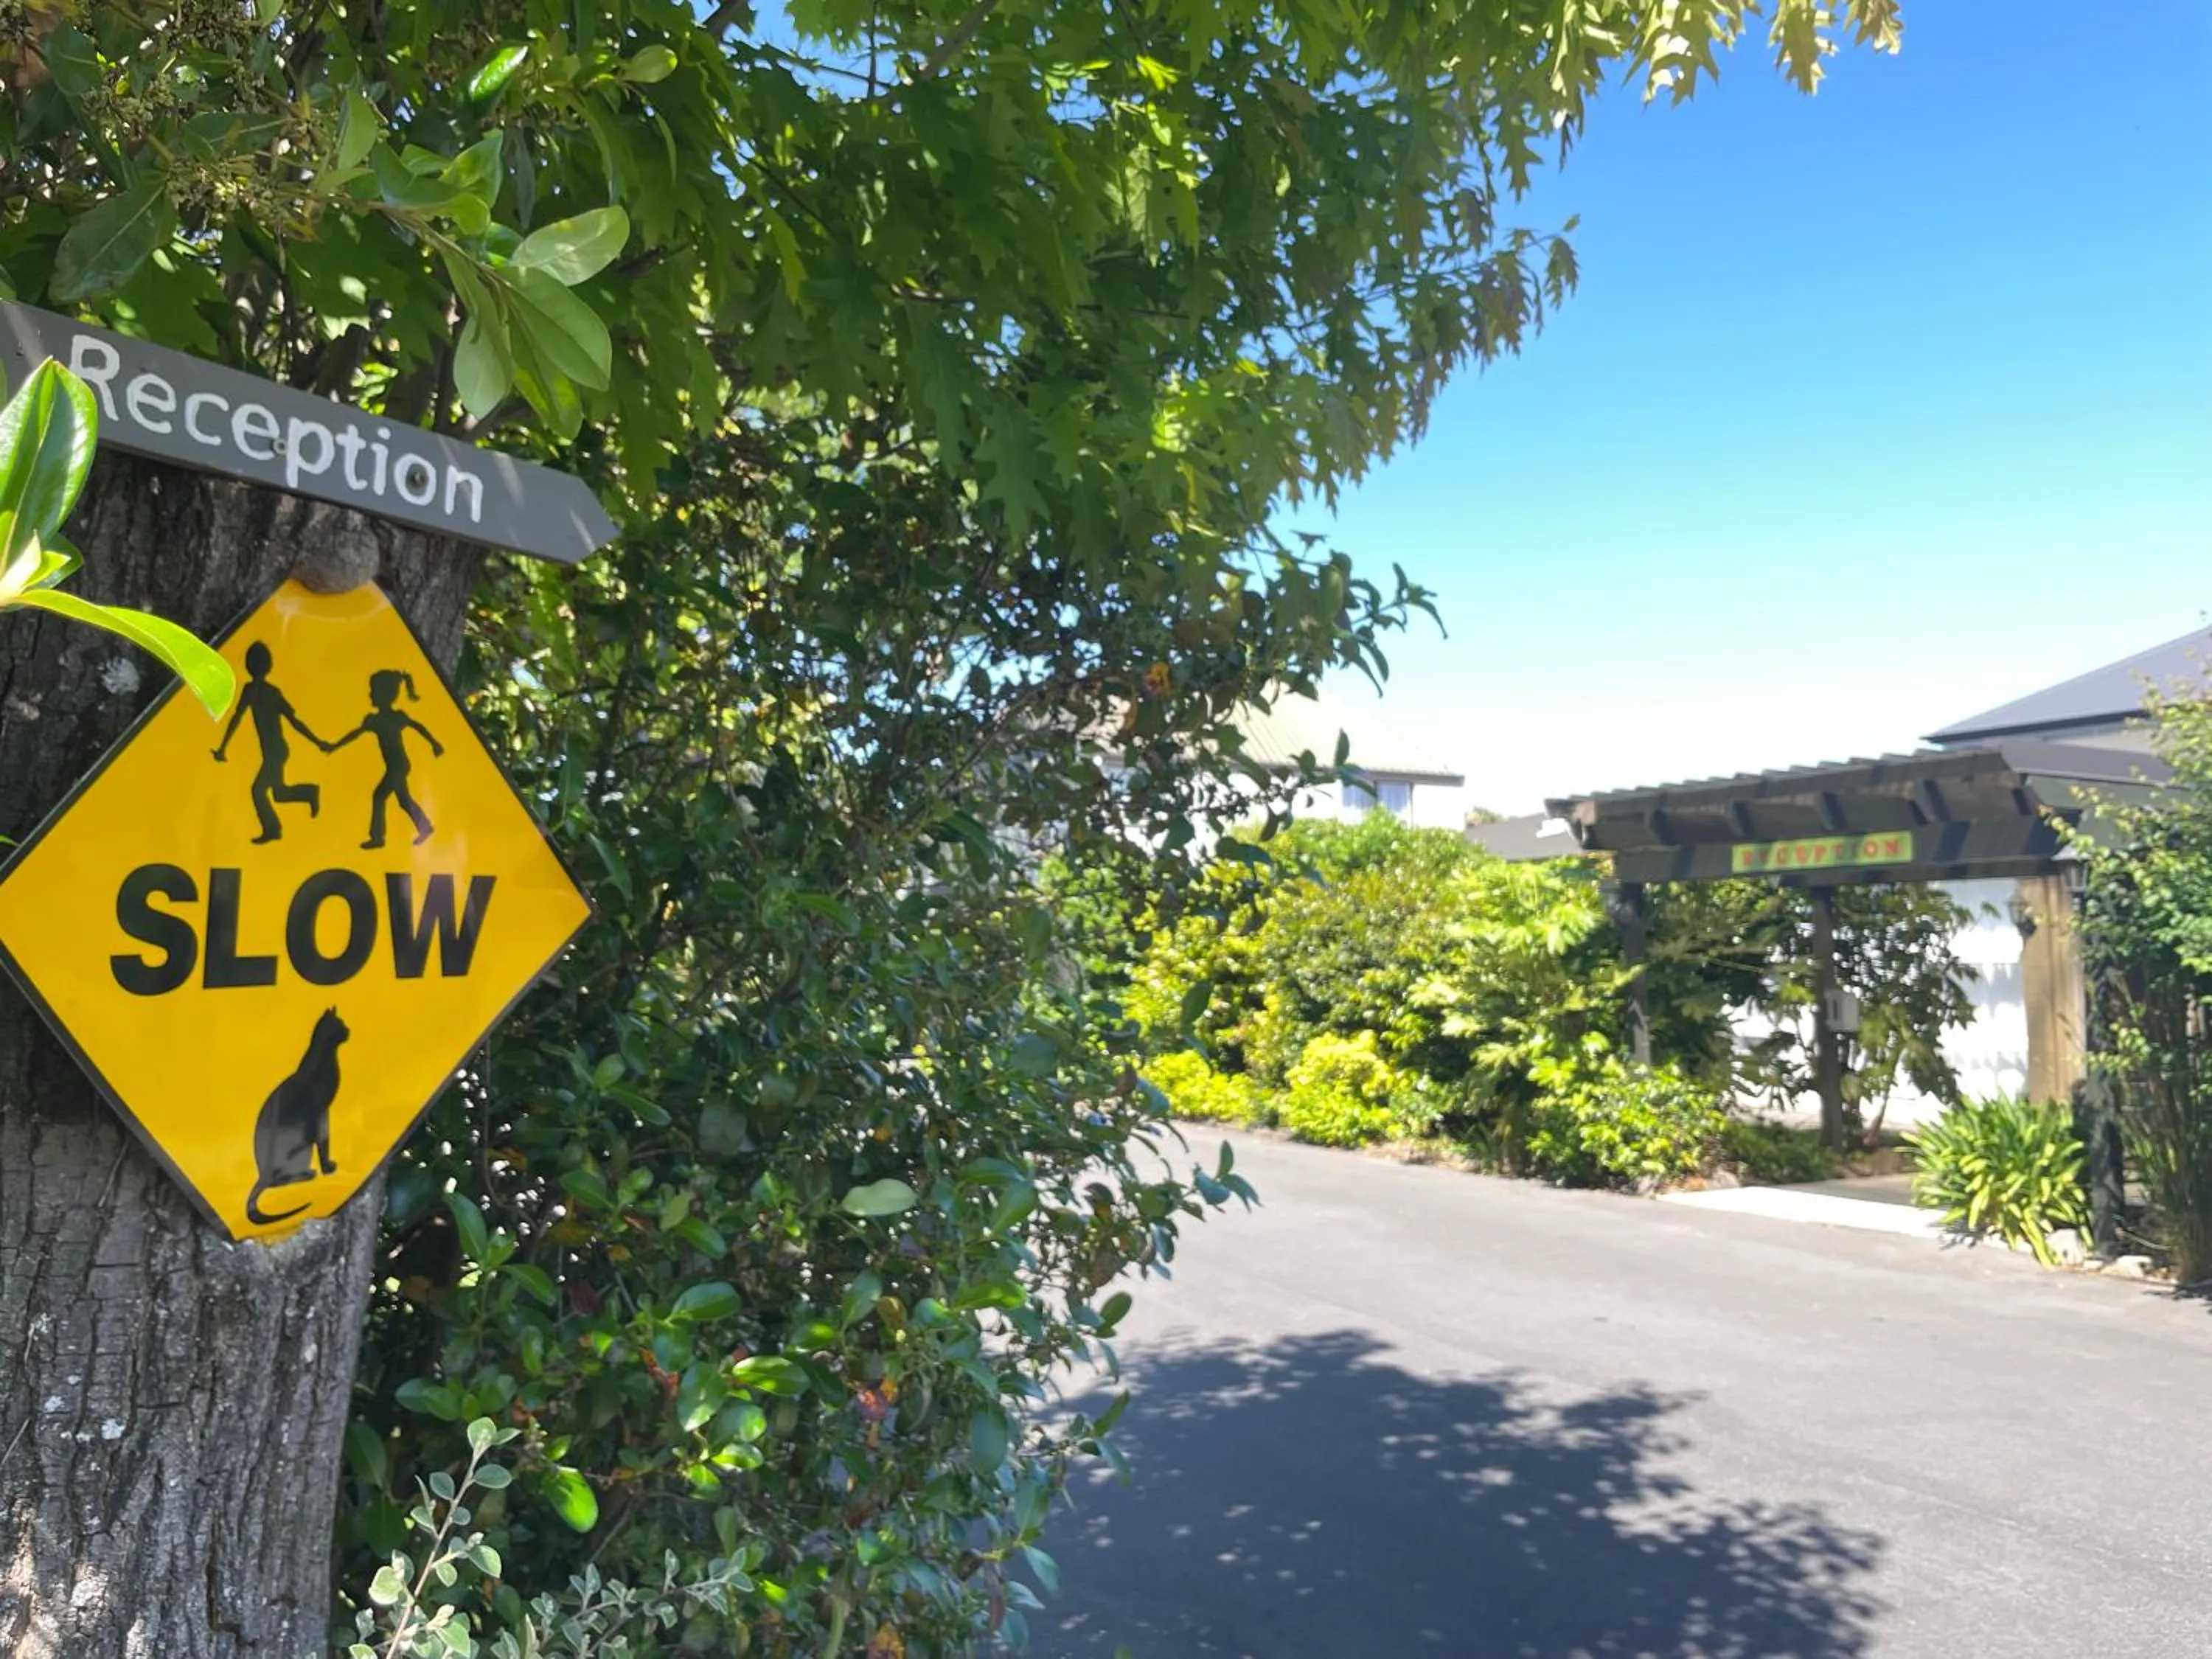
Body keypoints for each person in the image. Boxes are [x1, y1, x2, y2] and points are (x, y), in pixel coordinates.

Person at [212, 641, 328, 844]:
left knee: (258, 791)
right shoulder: (257, 691)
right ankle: (309, 793)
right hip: (273, 751)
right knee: (279, 794)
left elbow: (294, 721)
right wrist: (223, 747)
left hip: (277, 751)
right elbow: (237, 718)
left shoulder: (267, 692)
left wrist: (318, 742)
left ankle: (273, 828)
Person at [328, 668, 445, 849]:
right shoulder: (377, 720)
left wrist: (435, 743)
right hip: (397, 766)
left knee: (379, 796)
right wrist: (334, 746)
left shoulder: (391, 718)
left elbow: (418, 727)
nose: (370, 695)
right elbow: (354, 734)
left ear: (384, 695)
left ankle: (378, 838)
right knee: (403, 800)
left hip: (399, 765)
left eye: (373, 691)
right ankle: (425, 827)